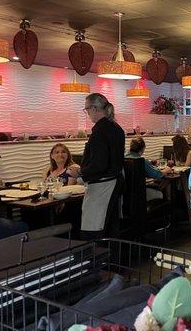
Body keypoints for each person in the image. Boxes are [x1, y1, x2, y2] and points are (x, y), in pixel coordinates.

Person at [66, 93, 125, 240]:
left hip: (102, 185)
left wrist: (79, 172)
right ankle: (110, 260)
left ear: (93, 108)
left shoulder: (100, 131)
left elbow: (99, 164)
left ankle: (95, 259)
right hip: (115, 181)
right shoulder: (116, 128)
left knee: (94, 228)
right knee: (110, 226)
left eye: (86, 109)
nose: (87, 113)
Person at [126, 137, 172, 201]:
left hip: (126, 193)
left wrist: (150, 162)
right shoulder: (142, 161)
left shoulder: (125, 157)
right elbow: (157, 174)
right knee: (160, 193)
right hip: (140, 194)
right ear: (143, 148)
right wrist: (167, 170)